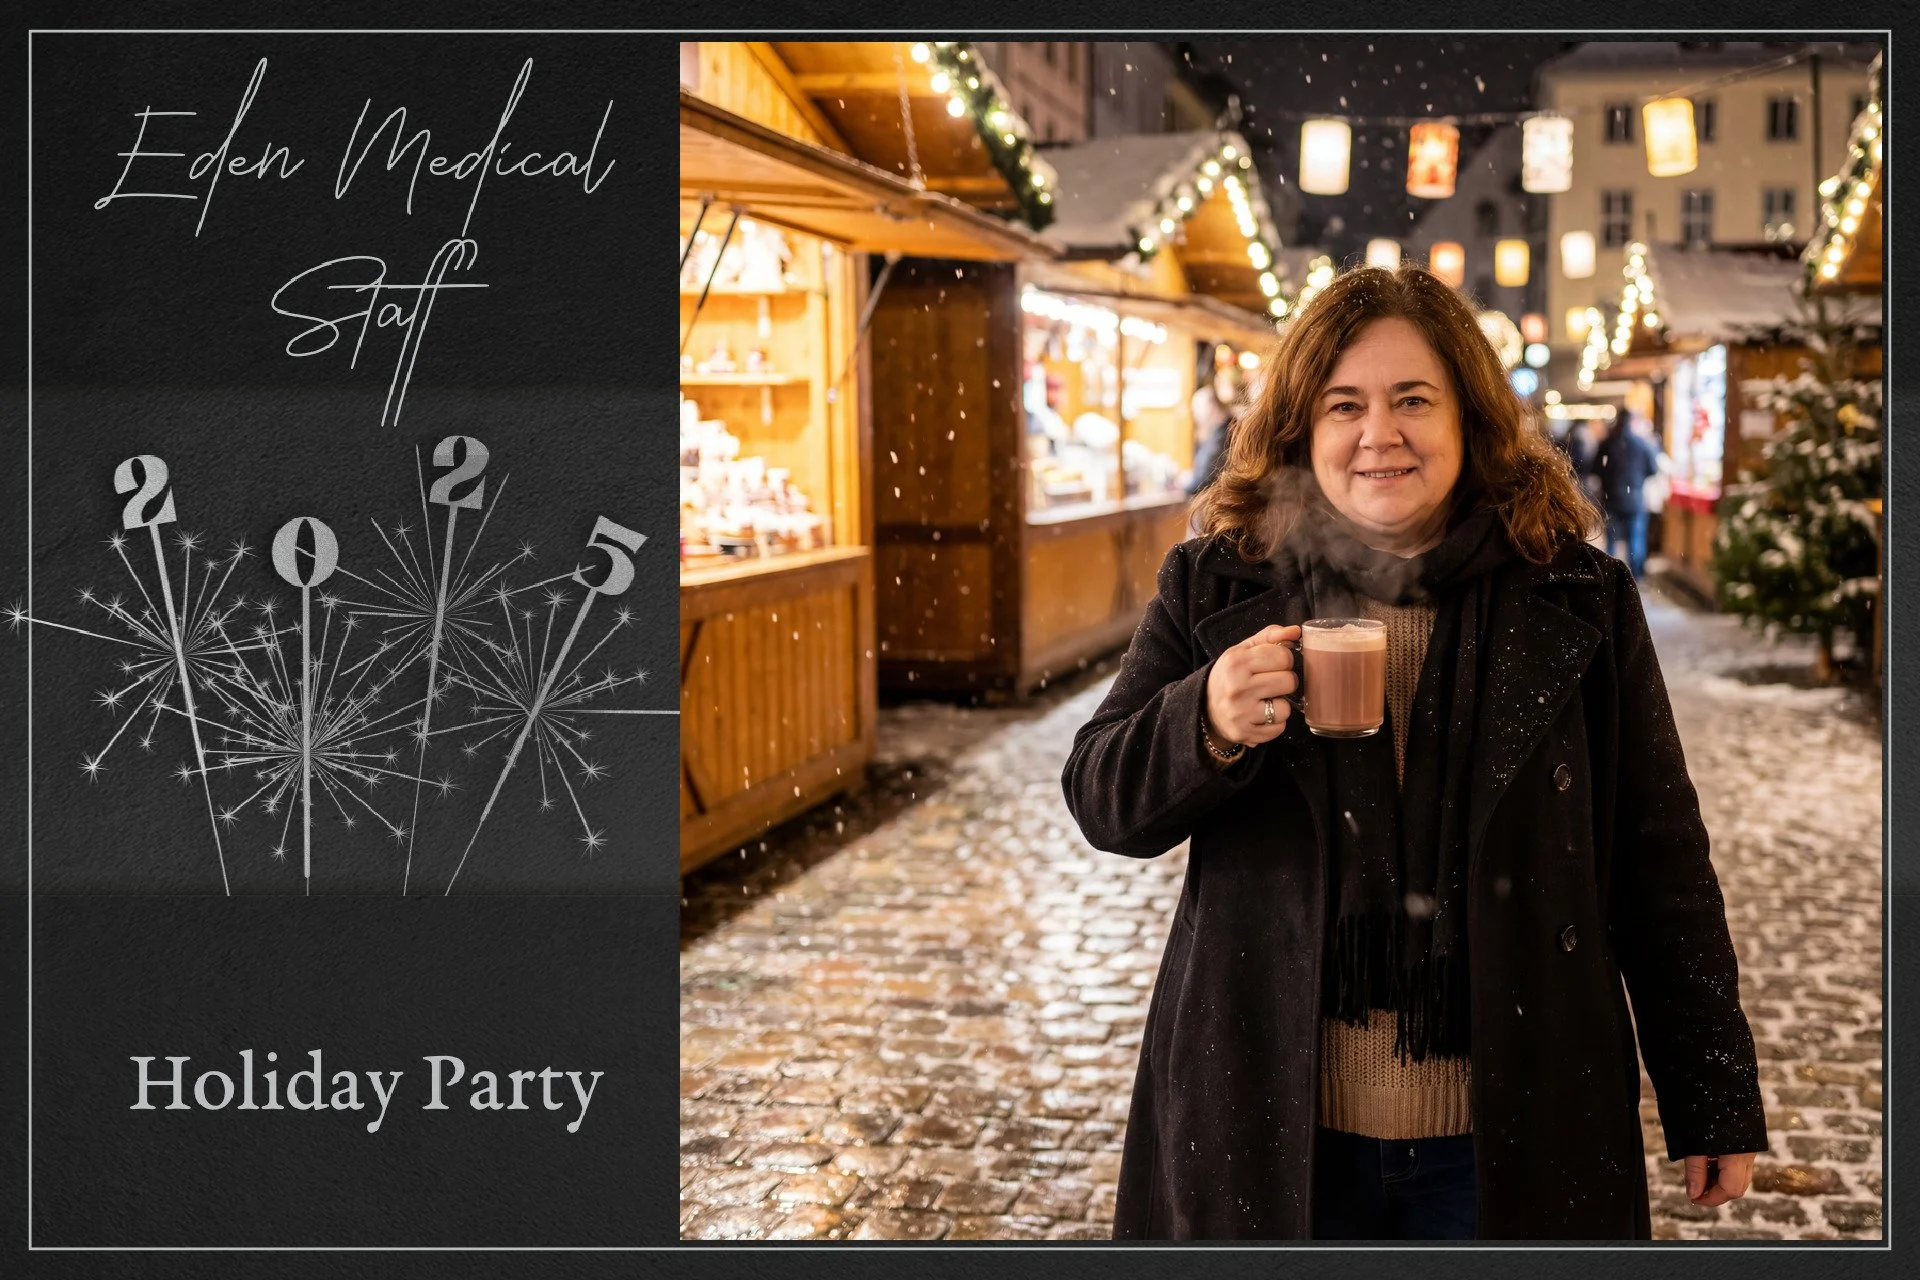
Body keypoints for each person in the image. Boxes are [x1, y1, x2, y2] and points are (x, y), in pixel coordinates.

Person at [1060, 263, 1765, 1241]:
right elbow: (1101, 796)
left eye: (1412, 400)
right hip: (1273, 1120)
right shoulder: (1219, 584)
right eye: (1344, 404)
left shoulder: (1575, 597)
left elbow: (1659, 858)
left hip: (1505, 1130)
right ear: (1303, 428)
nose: (1377, 434)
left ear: (1470, 418)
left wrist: (1712, 1090)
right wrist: (1206, 717)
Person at [1595, 412, 1664, 579]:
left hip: (1612, 498)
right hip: (1635, 498)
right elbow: (1653, 469)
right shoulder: (1641, 444)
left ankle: (1609, 575)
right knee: (1636, 539)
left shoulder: (1608, 444)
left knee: (1612, 540)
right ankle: (1636, 576)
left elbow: (1596, 468)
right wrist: (1636, 480)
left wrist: (1609, 480)